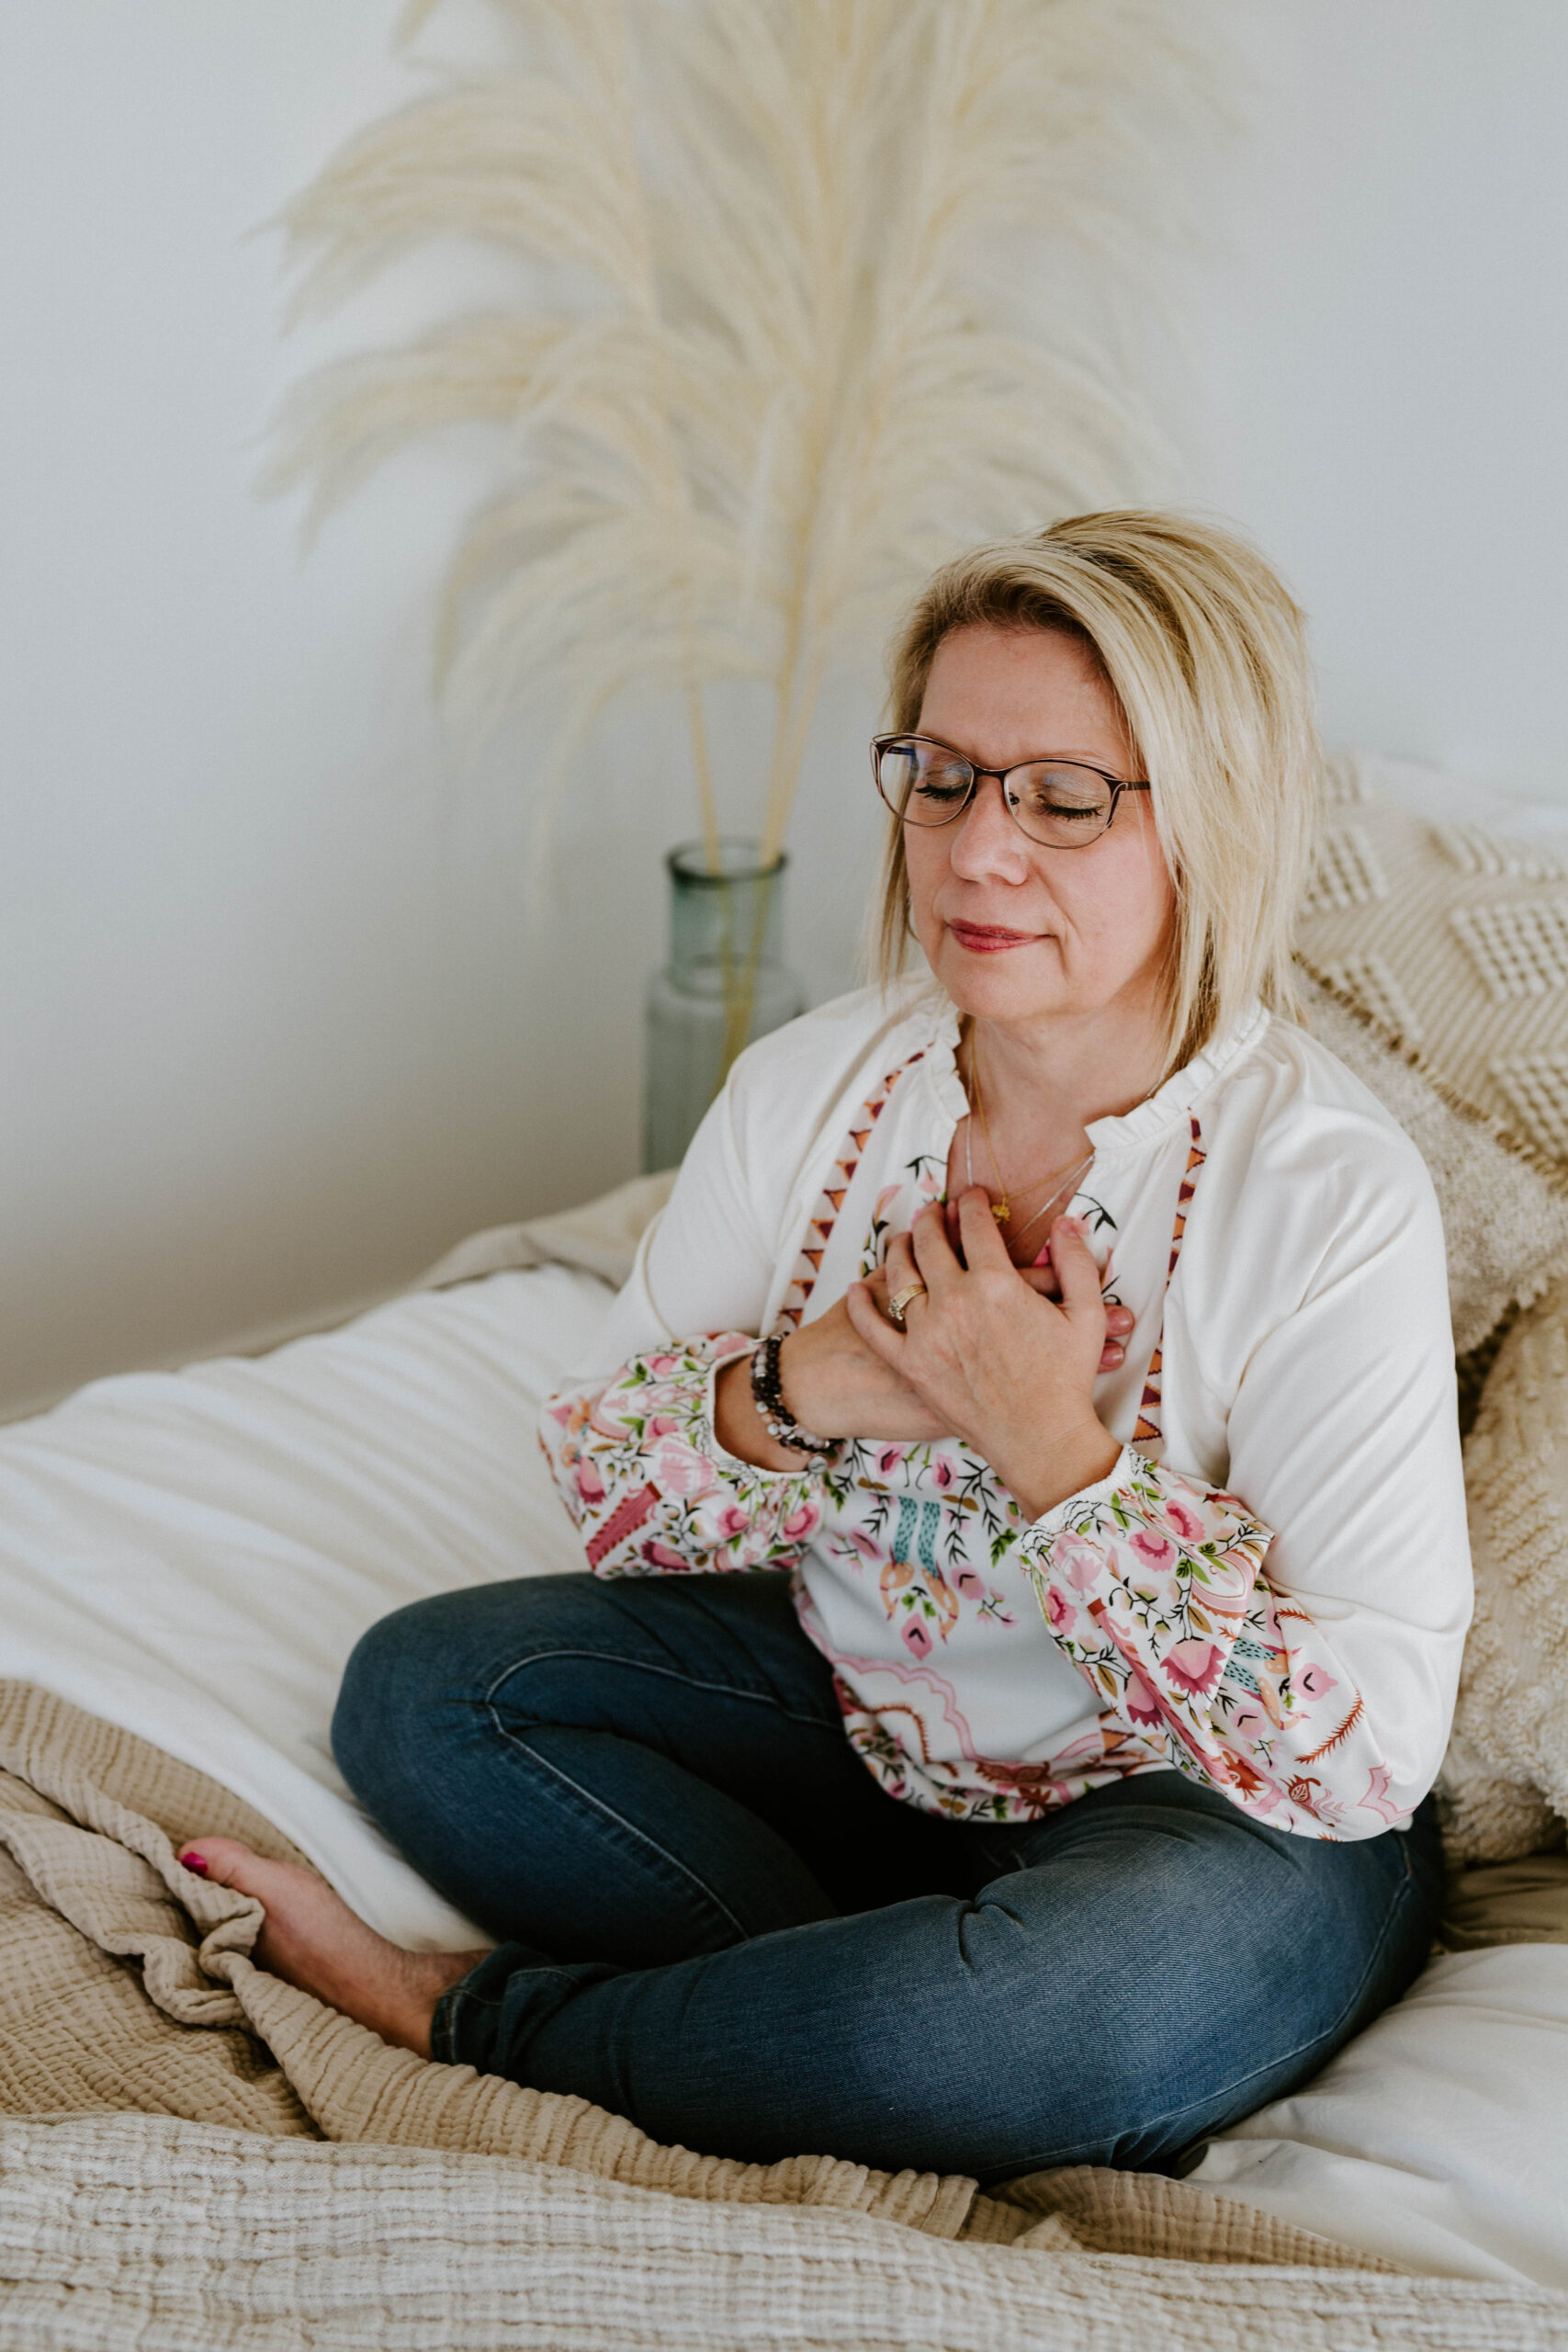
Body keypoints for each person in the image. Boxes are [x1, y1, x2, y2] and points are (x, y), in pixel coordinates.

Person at [183, 511, 1470, 2187]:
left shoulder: (1328, 1194)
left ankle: (492, 2019)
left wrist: (1050, 1447)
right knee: (432, 1695)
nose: (976, 851)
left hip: (1206, 1820)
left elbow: (1360, 1747)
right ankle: (841, 2015)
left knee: (1048, 2008)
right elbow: (606, 1492)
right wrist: (816, 1388)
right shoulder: (815, 1089)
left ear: (1212, 820)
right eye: (941, 777)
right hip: (861, 1723)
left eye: (1064, 798)